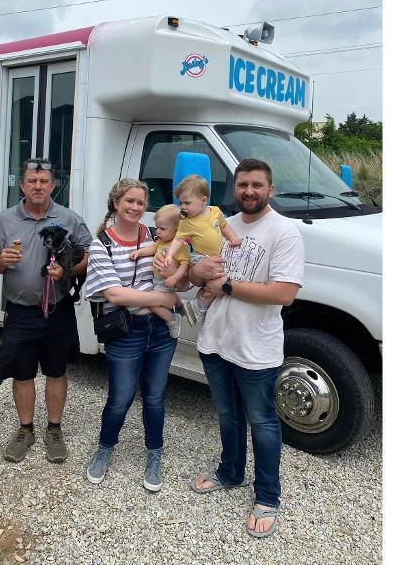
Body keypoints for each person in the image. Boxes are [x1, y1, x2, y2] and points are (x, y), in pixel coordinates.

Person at [188, 158, 305, 538]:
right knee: (228, 415)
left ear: (270, 190)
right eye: (243, 185)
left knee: (263, 422)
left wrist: (225, 286)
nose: (249, 191)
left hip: (256, 348)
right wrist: (197, 273)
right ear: (234, 188)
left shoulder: (284, 232)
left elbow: (284, 293)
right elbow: (195, 273)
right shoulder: (222, 225)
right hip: (215, 340)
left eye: (257, 185)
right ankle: (230, 473)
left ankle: (268, 496)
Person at [0, 158, 92, 464]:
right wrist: (1, 261)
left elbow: (91, 255)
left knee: (56, 370)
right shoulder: (5, 220)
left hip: (58, 310)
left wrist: (68, 270)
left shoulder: (69, 218)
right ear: (22, 185)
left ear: (53, 185)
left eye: (44, 181)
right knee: (22, 373)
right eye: (32, 181)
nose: (38, 186)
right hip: (21, 311)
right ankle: (25, 430)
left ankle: (54, 430)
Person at [85, 179, 184, 492]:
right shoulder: (101, 244)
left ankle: (154, 452)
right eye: (129, 201)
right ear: (116, 203)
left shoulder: (156, 235)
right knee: (120, 398)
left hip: (161, 331)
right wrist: (164, 299)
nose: (135, 207)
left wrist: (175, 279)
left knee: (155, 397)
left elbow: (179, 278)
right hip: (126, 331)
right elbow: (115, 295)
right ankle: (105, 447)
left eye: (141, 203)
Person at [163, 175, 241, 324]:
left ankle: (199, 306)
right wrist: (170, 255)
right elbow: (178, 239)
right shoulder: (187, 221)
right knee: (220, 281)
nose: (182, 207)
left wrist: (233, 237)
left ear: (203, 200)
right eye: (180, 203)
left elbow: (224, 226)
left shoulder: (215, 212)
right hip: (200, 257)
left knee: (213, 284)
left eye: (187, 203)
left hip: (216, 256)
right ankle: (199, 306)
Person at [128, 203, 191, 338]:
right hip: (157, 279)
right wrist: (140, 252)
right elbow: (153, 248)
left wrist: (174, 277)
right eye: (157, 227)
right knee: (167, 297)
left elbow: (184, 265)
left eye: (162, 228)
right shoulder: (162, 241)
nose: (158, 231)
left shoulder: (180, 247)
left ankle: (172, 319)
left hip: (166, 281)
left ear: (177, 230)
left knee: (152, 304)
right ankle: (180, 307)